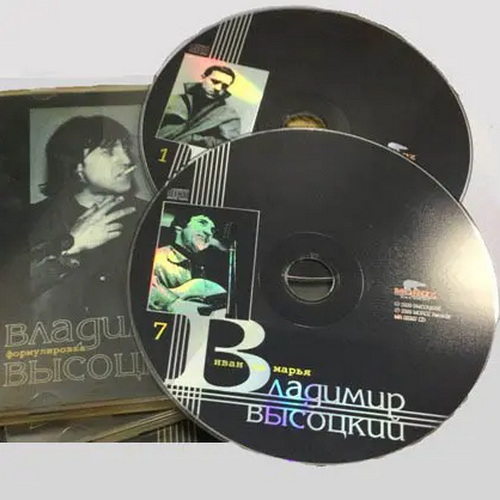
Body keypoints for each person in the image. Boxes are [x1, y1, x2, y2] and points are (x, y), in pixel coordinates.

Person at [30, 115, 147, 322]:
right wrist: (70, 245)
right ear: (77, 166)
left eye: (125, 148)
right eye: (109, 151)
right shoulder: (33, 220)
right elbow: (14, 289)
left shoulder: (149, 215)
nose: (127, 160)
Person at [148, 213, 227, 314]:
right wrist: (172, 303)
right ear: (179, 227)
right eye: (202, 223)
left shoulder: (201, 267)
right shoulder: (157, 258)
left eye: (212, 230)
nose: (209, 233)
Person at [156, 65, 241, 148]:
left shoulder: (229, 115)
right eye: (215, 81)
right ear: (203, 78)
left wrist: (192, 139)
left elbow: (227, 146)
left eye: (224, 86)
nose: (218, 88)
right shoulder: (174, 100)